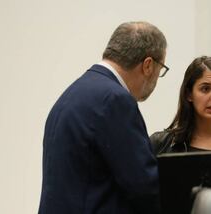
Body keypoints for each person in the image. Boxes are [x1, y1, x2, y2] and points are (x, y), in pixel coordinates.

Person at [39, 21, 168, 214]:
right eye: (161, 69)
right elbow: (144, 186)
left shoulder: (73, 94)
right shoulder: (114, 100)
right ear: (148, 65)